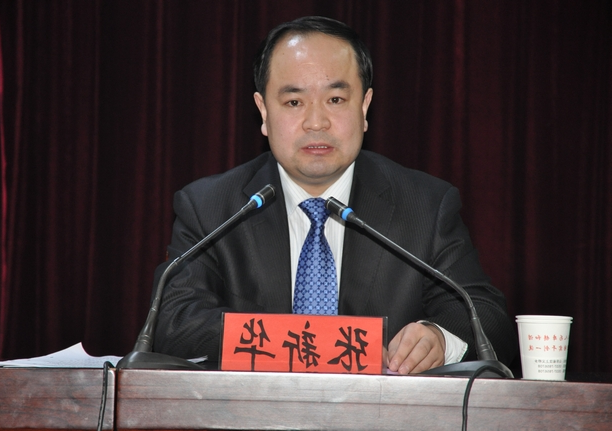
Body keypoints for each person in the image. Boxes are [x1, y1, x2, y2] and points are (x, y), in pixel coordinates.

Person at [153, 16, 517, 374]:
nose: (316, 122)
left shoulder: (424, 205)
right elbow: (173, 322)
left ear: (364, 107)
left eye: (336, 99)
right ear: (263, 111)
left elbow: (486, 316)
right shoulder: (210, 207)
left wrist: (438, 338)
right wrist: (310, 344)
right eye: (294, 102)